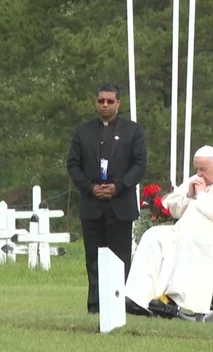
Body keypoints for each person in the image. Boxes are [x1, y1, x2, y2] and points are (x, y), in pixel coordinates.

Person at [125, 145, 213, 319]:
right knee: (153, 235)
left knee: (187, 241)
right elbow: (174, 210)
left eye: (203, 169)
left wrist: (202, 195)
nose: (199, 174)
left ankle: (171, 301)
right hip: (183, 230)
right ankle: (138, 297)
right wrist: (188, 195)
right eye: (197, 169)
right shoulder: (195, 180)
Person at [66, 82, 147, 314]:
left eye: (110, 101)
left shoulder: (133, 131)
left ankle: (119, 305)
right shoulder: (83, 131)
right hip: (92, 205)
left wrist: (118, 187)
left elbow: (139, 165)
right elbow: (73, 164)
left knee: (120, 259)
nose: (105, 105)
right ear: (95, 102)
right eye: (101, 100)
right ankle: (95, 306)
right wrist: (90, 188)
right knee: (93, 258)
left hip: (120, 206)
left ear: (118, 103)